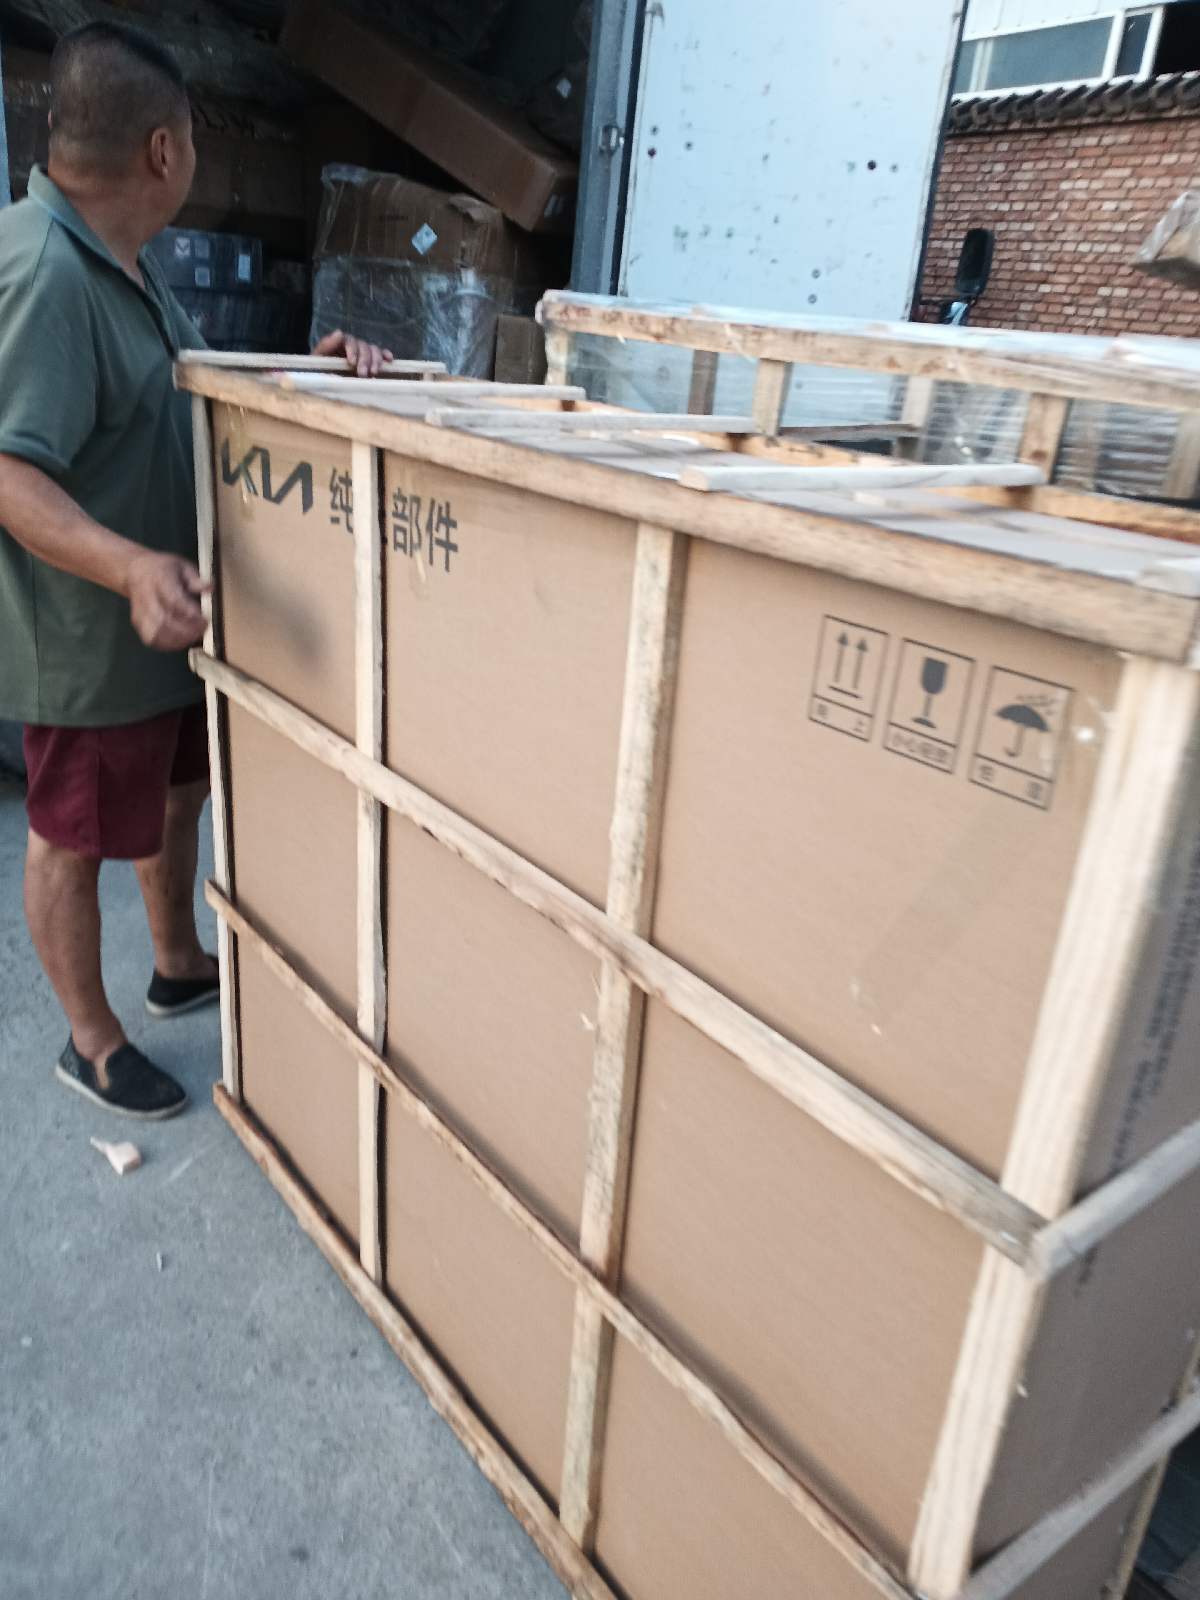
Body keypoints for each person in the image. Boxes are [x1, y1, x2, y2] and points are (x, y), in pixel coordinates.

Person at [0, 21, 391, 1120]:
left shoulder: (118, 260)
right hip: (91, 637)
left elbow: (185, 385)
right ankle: (90, 1043)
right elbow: (9, 473)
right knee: (70, 838)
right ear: (163, 151)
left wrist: (303, 368)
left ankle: (174, 962)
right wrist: (130, 569)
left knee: (181, 792)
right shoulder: (45, 273)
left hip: (167, 617)